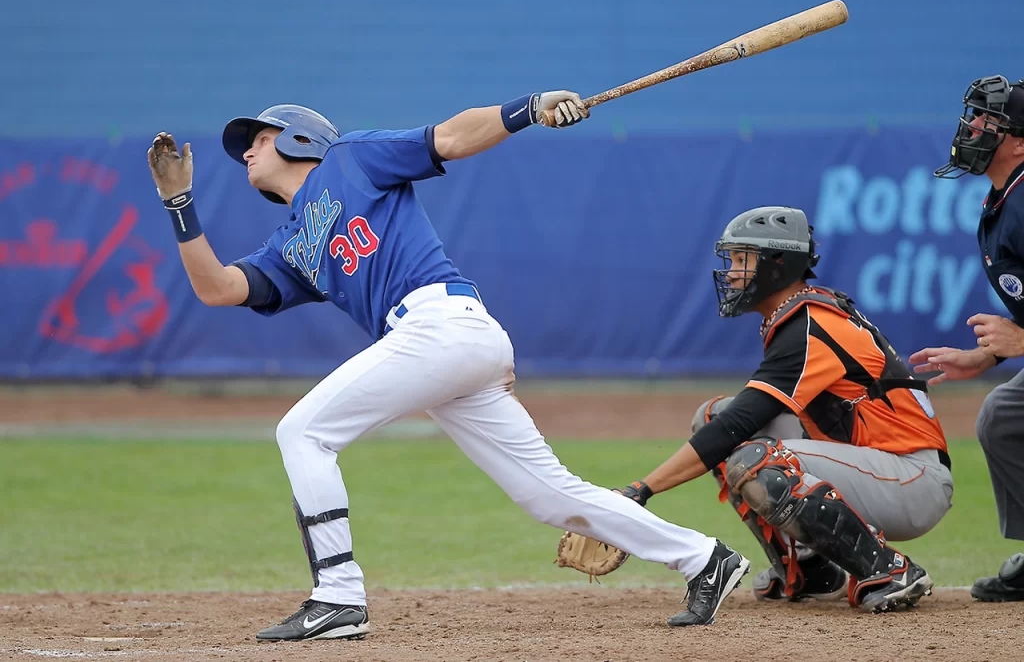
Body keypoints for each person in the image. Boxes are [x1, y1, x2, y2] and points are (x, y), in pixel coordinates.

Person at [146, 93, 750, 641]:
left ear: (299, 138)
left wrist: (531, 107)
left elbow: (452, 138)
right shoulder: (291, 243)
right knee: (546, 495)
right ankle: (705, 558)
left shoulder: (350, 159)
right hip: (445, 347)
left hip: (441, 325)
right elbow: (218, 288)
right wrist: (179, 202)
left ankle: (338, 595)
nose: (247, 150)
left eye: (258, 136)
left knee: (303, 432)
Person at [612, 206, 952, 613]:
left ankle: (889, 569)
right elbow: (730, 422)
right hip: (875, 465)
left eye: (742, 259)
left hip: (912, 479)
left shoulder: (810, 324)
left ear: (778, 263)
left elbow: (739, 424)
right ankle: (810, 569)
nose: (731, 273)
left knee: (755, 458)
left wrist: (641, 489)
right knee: (712, 417)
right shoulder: (801, 314)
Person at [913, 74, 1024, 602]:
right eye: (974, 114)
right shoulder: (1006, 198)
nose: (973, 126)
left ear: (1019, 142)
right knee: (1003, 416)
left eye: (989, 120)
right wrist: (985, 356)